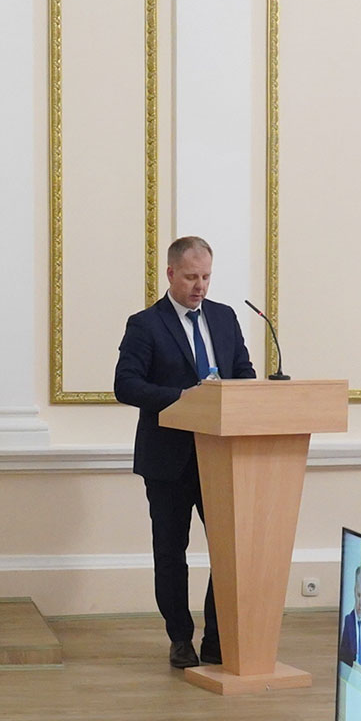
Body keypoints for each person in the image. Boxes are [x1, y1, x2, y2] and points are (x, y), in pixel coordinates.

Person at [113, 235, 256, 669]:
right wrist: (184, 398)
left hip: (221, 456)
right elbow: (126, 385)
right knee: (171, 554)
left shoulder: (225, 318)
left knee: (227, 552)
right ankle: (180, 638)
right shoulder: (146, 324)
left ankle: (216, 638)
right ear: (171, 273)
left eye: (206, 277)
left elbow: (244, 373)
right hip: (169, 460)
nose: (200, 286)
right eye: (192, 277)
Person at [338, 566, 361, 670]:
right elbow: (342, 657)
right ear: (354, 592)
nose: (360, 602)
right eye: (358, 596)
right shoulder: (347, 621)